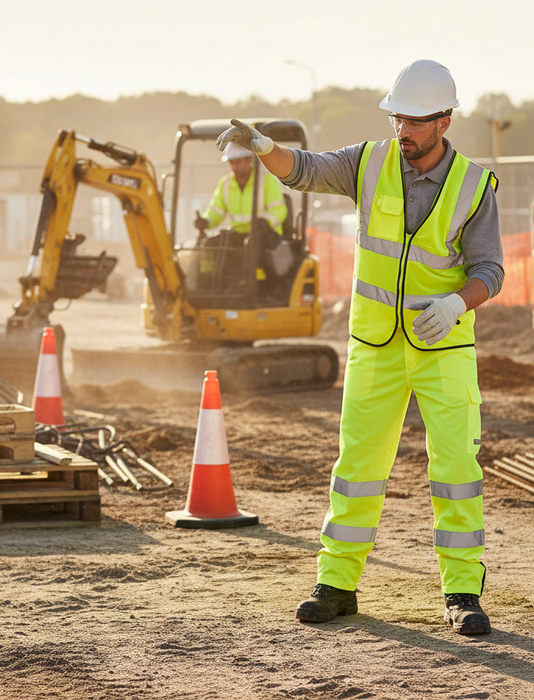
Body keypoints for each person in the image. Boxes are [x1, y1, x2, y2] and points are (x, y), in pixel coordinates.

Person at [216, 59, 504, 636]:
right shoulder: (368, 162)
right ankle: (336, 585)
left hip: (443, 348)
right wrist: (264, 146)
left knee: (456, 470)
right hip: (374, 346)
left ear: (444, 122)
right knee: (357, 469)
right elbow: (304, 170)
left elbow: (490, 271)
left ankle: (463, 592)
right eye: (398, 118)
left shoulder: (475, 186)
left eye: (415, 121)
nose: (403, 130)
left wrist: (455, 305)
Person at [196, 141, 288, 242]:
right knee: (208, 244)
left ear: (249, 159)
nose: (234, 167)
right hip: (238, 234)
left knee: (252, 245)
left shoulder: (267, 180)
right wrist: (206, 221)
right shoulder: (225, 184)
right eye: (231, 162)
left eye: (238, 162)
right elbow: (216, 211)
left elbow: (279, 210)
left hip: (265, 235)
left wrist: (266, 221)